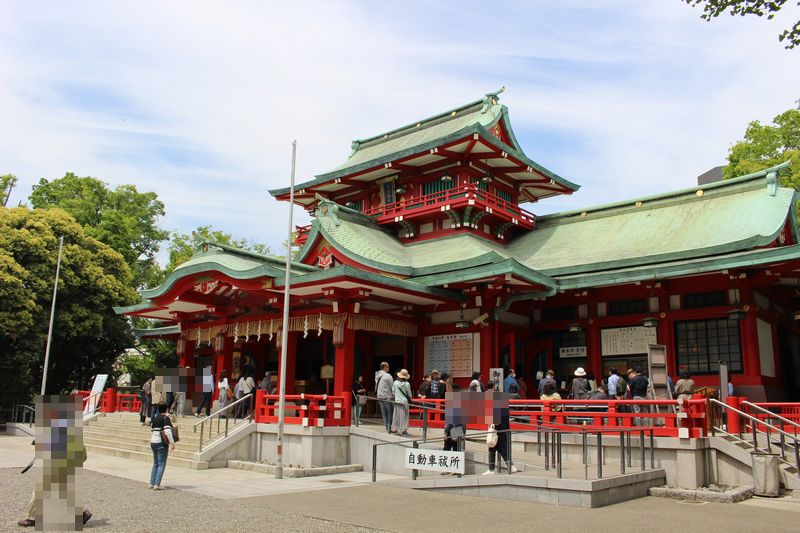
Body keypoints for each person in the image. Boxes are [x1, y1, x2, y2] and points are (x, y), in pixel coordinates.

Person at [483, 395, 517, 475]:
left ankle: (493, 469)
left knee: (495, 449)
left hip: (497, 432)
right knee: (501, 450)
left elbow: (496, 422)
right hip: (504, 431)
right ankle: (510, 466)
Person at [149, 403, 176, 490]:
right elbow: (167, 431)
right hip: (161, 442)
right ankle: (157, 484)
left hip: (153, 441)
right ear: (166, 409)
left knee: (155, 463)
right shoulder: (165, 418)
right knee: (161, 464)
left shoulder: (155, 418)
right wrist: (172, 443)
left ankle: (151, 483)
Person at [391, 369, 413, 436]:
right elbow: (409, 394)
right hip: (404, 402)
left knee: (396, 416)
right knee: (404, 416)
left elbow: (393, 392)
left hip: (397, 401)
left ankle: (394, 429)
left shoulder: (395, 383)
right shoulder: (407, 384)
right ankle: (404, 430)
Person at [375, 362, 394, 433]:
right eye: (388, 367)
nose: (388, 368)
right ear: (385, 367)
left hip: (379, 396)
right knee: (390, 411)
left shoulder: (377, 375)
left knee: (384, 412)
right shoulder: (387, 376)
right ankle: (389, 426)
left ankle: (386, 425)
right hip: (387, 396)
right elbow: (392, 387)